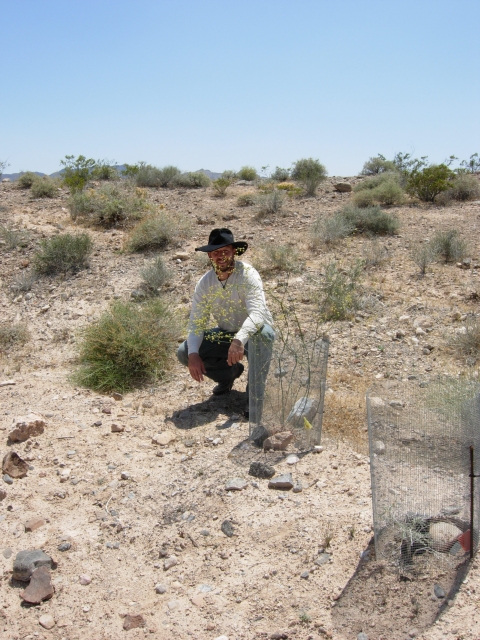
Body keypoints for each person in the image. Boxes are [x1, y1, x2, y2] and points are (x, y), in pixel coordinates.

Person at [177, 228, 274, 414]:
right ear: (209, 257)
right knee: (185, 352)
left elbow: (257, 314)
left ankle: (254, 399)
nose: (220, 256)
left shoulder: (248, 274)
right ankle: (227, 375)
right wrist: (193, 355)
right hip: (226, 333)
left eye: (225, 252)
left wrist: (239, 340)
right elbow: (197, 322)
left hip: (254, 333)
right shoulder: (205, 283)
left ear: (234, 252)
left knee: (266, 335)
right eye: (215, 253)